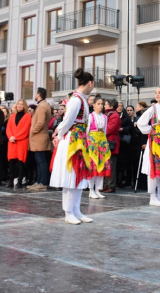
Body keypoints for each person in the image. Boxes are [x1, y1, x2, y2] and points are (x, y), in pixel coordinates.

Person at [50, 69, 95, 224]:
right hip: (72, 140)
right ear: (90, 83)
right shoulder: (76, 100)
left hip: (79, 140)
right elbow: (68, 121)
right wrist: (59, 135)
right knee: (70, 175)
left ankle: (76, 210)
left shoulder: (80, 99)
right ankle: (68, 212)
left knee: (78, 175)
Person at [86, 97, 111, 199]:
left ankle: (98, 189)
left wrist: (105, 142)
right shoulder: (90, 116)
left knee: (101, 165)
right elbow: (87, 130)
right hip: (92, 142)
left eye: (102, 104)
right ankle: (91, 190)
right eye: (98, 104)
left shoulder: (104, 117)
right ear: (94, 105)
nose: (101, 106)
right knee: (93, 166)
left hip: (101, 141)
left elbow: (104, 130)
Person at [29, 88, 52, 191]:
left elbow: (40, 122)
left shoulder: (42, 106)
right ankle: (38, 181)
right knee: (39, 160)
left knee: (41, 160)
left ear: (38, 95)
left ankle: (42, 182)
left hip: (40, 136)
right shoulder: (43, 105)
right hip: (39, 137)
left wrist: (33, 131)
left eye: (35, 93)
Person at [6, 100, 31, 189]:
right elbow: (8, 128)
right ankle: (10, 181)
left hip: (21, 142)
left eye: (21, 104)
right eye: (18, 104)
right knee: (11, 162)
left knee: (21, 163)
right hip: (12, 142)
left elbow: (25, 129)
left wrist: (15, 137)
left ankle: (19, 181)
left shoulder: (27, 116)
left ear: (24, 106)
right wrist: (10, 137)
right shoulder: (12, 116)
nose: (19, 106)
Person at [102, 99, 121, 193]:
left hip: (111, 142)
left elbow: (109, 129)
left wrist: (99, 131)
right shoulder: (108, 114)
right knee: (106, 165)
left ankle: (111, 185)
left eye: (105, 104)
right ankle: (106, 184)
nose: (104, 106)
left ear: (111, 106)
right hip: (106, 141)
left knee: (111, 165)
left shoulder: (114, 116)